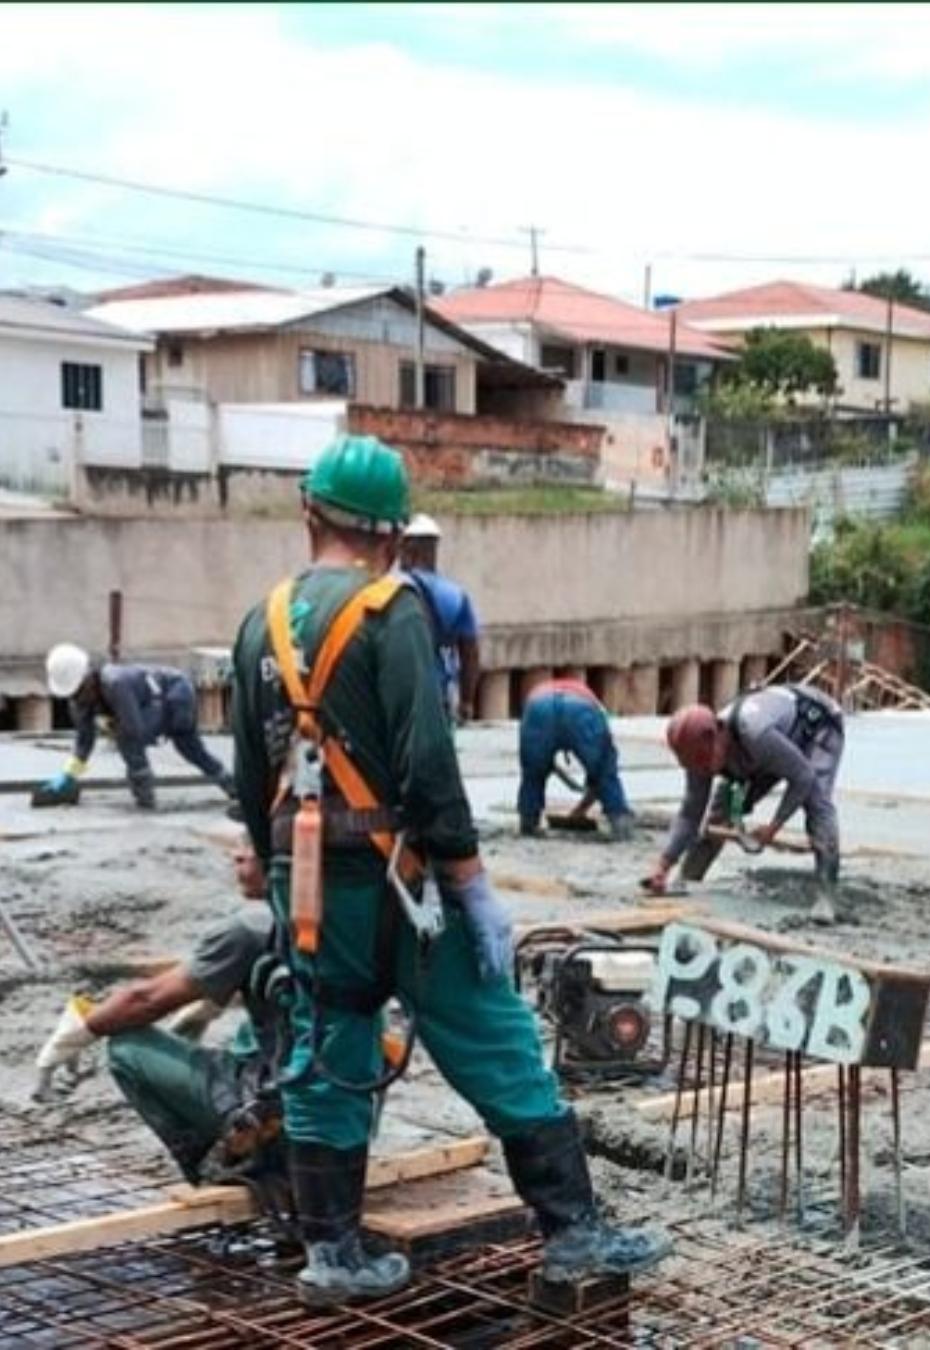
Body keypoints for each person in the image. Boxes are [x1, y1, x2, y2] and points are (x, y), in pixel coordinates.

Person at [231, 434, 669, 1308]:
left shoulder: (260, 623)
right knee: (491, 1032)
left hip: (306, 879)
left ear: (308, 513)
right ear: (393, 534)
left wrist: (265, 855)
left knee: (327, 1040)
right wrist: (470, 883)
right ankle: (574, 1233)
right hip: (400, 880)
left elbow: (248, 771)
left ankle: (334, 1252)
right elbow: (427, 762)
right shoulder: (394, 611)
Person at [34, 842, 289, 1201]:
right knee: (254, 1035)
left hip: (285, 1112)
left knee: (126, 1045)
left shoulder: (251, 926)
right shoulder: (352, 911)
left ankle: (229, 1162)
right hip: (344, 1115)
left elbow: (145, 1000)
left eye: (251, 843)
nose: (238, 855)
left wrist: (79, 1030)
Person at [646, 683, 845, 923]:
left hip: (815, 725)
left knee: (816, 801)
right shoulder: (698, 750)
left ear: (719, 734)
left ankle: (827, 894)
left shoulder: (755, 732)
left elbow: (802, 776)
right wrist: (663, 864)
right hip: (762, 751)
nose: (705, 770)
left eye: (707, 761)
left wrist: (774, 826)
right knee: (720, 813)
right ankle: (688, 878)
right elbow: (690, 813)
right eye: (697, 766)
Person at [37, 646, 235, 810]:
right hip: (152, 705)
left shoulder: (116, 683)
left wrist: (116, 731)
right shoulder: (79, 701)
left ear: (88, 678)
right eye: (72, 695)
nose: (77, 698)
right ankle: (232, 787)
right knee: (134, 739)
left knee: (186, 745)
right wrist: (69, 775)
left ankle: (146, 798)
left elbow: (134, 729)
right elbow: (84, 741)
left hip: (177, 693)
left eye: (79, 691)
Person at [518, 677, 634, 840]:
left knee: (532, 775)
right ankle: (620, 823)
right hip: (580, 708)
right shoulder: (592, 701)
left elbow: (532, 763)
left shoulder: (539, 692)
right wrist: (580, 811)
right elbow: (600, 773)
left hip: (538, 707)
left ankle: (528, 822)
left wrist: (577, 812)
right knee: (604, 770)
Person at [398, 513, 480, 722]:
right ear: (434, 550)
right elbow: (470, 653)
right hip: (438, 698)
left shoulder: (390, 590)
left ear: (407, 549)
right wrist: (467, 702)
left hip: (399, 697)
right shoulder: (456, 595)